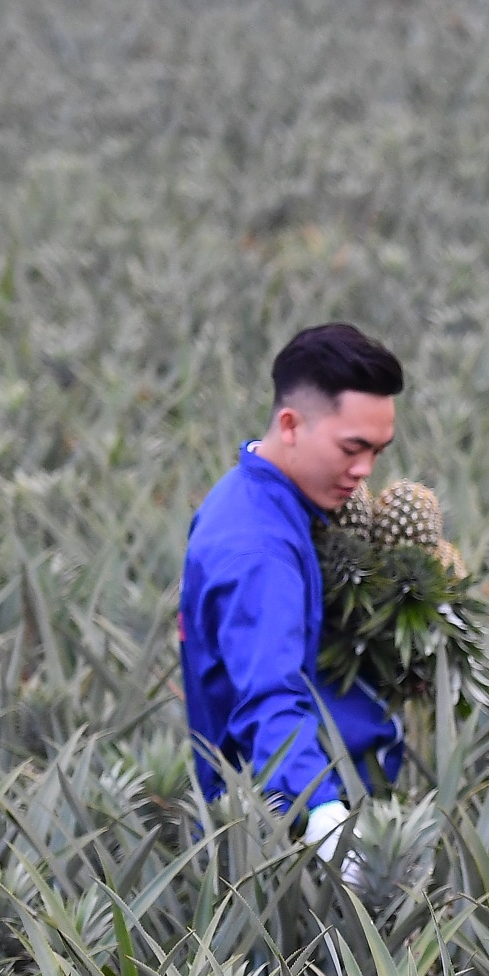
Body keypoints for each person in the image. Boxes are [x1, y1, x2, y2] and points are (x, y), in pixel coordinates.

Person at [180, 324, 408, 862]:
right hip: (281, 832)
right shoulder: (260, 551)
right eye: (352, 448)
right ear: (290, 424)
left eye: (378, 451)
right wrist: (325, 812)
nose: (364, 471)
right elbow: (269, 698)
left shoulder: (251, 495)